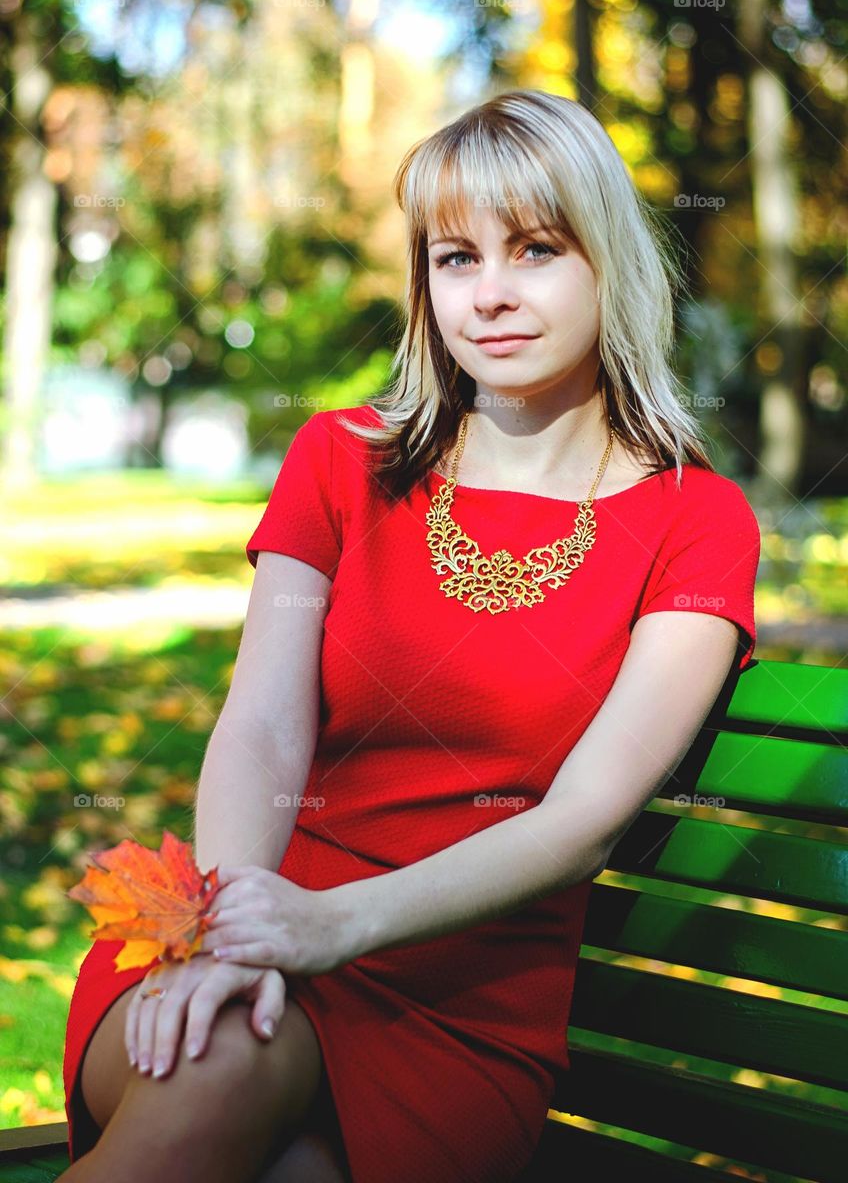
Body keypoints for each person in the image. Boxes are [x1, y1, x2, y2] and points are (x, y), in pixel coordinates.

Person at [60, 88, 760, 1183]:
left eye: (532, 250)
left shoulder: (693, 519)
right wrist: (231, 935)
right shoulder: (339, 461)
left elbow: (581, 819)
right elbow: (260, 726)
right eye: (452, 258)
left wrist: (329, 927)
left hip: (458, 1006)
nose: (488, 294)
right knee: (222, 1054)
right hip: (253, 914)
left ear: (607, 264)